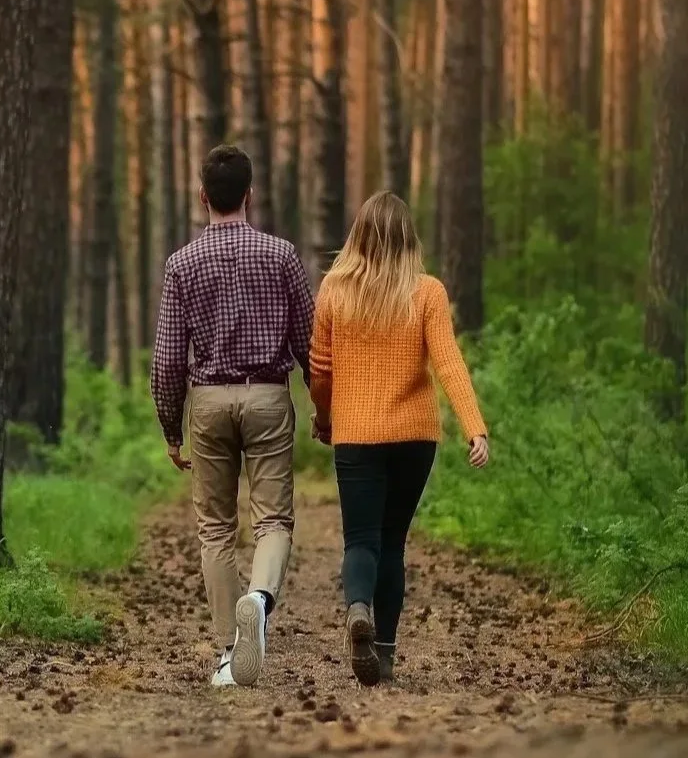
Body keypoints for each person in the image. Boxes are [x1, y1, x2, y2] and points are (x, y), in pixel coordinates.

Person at [307, 192, 490, 687]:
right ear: (409, 238)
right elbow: (449, 361)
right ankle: (383, 655)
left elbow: (320, 371)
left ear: (358, 234)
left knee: (361, 540)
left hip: (357, 435)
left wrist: (324, 418)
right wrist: (475, 427)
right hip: (414, 436)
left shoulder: (334, 291)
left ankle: (358, 607)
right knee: (393, 541)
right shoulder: (428, 291)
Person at [151, 145, 315, 689]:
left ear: (203, 198)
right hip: (268, 395)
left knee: (216, 529)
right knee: (273, 520)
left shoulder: (181, 264)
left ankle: (227, 652)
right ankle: (260, 601)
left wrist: (171, 428)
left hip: (209, 401)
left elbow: (169, 358)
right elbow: (309, 342)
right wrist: (325, 407)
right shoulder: (283, 256)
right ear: (250, 194)